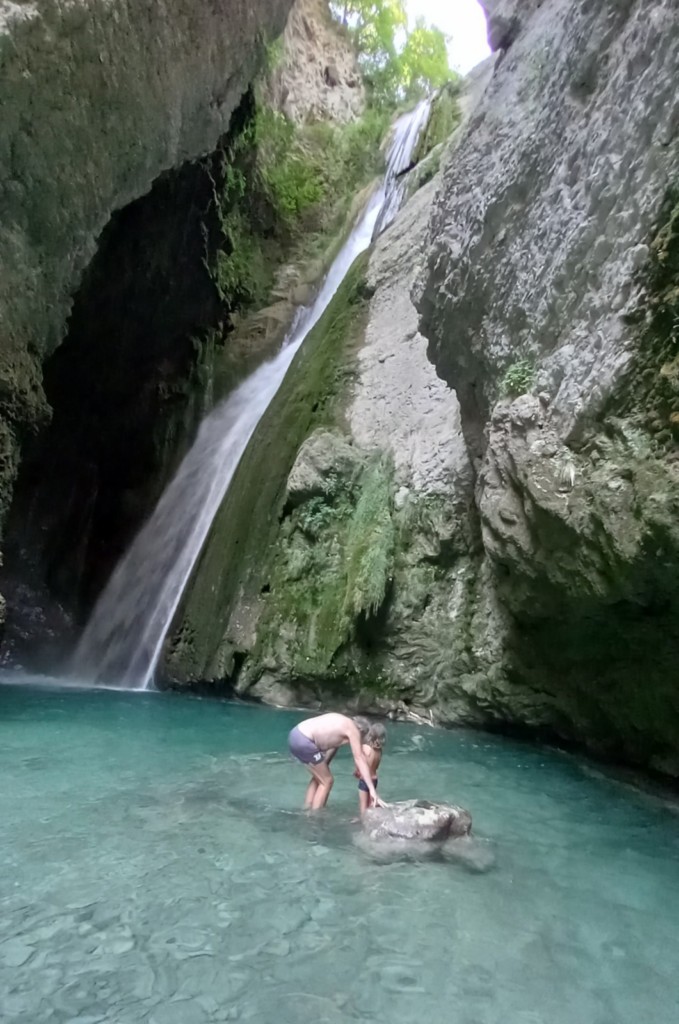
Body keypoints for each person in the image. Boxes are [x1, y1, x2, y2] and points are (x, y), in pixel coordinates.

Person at [288, 712, 384, 811]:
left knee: (320, 777)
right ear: (361, 732)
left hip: (295, 734)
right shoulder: (353, 729)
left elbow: (326, 760)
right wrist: (372, 790)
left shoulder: (341, 725)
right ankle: (315, 815)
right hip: (305, 740)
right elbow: (359, 758)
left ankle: (307, 807)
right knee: (327, 781)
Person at [355, 721, 386, 817]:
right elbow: (376, 767)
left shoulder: (365, 748)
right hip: (374, 779)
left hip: (365, 780)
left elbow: (359, 761)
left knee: (363, 807)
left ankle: (363, 821)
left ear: (371, 734)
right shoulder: (379, 751)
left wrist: (357, 771)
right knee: (370, 804)